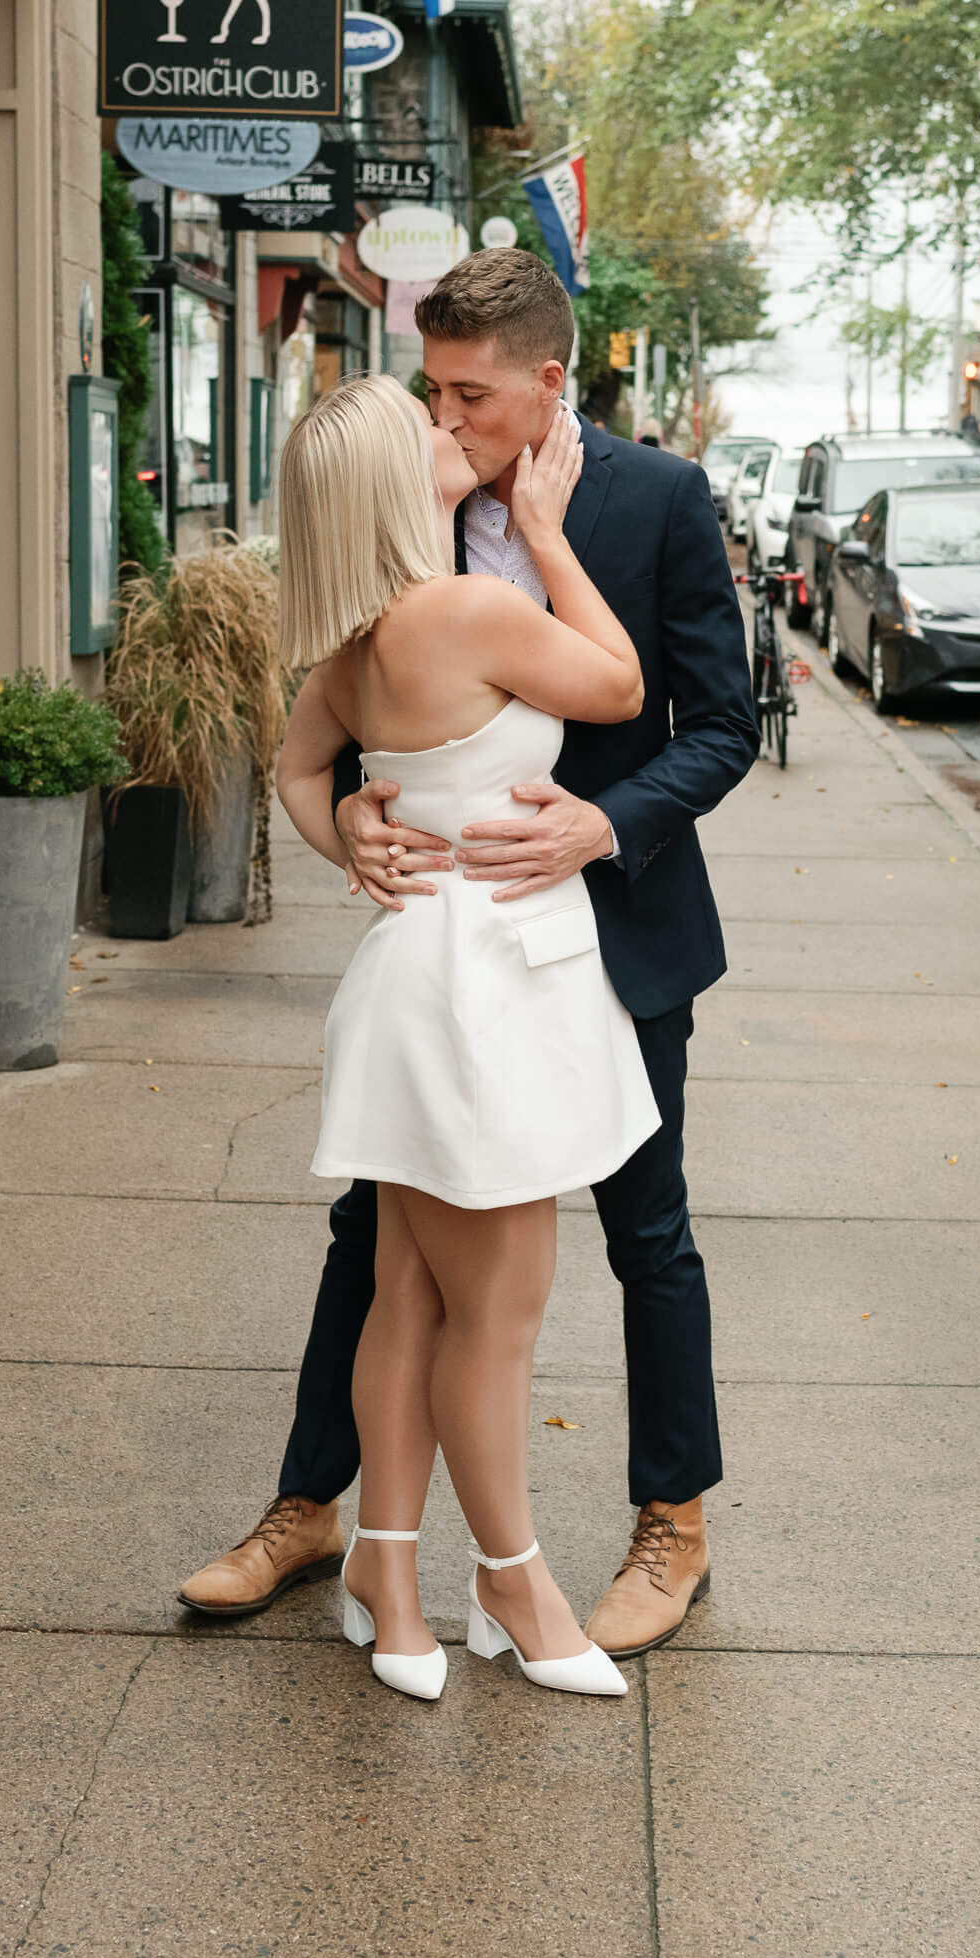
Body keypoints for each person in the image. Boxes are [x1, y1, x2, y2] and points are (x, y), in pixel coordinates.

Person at [179, 249, 758, 1659]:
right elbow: (328, 728)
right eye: (431, 392)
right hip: (447, 953)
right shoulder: (410, 518)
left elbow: (716, 725)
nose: (445, 419)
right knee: (370, 1247)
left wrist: (600, 829)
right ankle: (310, 1509)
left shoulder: (655, 500)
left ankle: (670, 1525)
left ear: (547, 382)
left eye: (469, 394)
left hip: (609, 937)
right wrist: (350, 837)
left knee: (648, 1234)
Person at [261, 374, 658, 1699]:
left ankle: (384, 1561)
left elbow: (291, 770)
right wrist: (549, 538)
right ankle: (516, 1587)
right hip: (479, 991)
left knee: (408, 1295)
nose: (451, 431)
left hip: (420, 975)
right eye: (422, 427)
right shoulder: (466, 609)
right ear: (390, 483)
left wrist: (352, 850)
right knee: (497, 1316)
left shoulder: (356, 637)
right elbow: (614, 686)